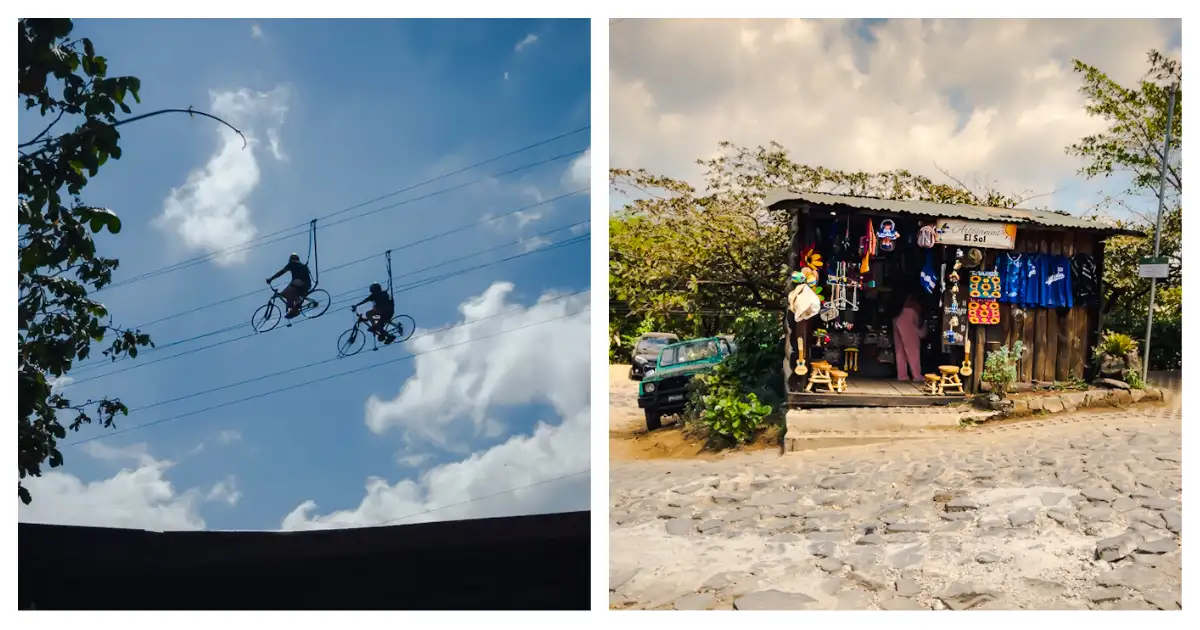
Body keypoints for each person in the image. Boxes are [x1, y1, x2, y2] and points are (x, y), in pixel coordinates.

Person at [892, 290, 927, 382]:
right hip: (908, 319)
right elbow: (921, 332)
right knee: (913, 350)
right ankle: (917, 376)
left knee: (900, 351)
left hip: (897, 319)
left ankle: (902, 375)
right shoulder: (919, 301)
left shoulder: (906, 299)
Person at [266, 253, 311, 319]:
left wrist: (271, 279)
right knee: (287, 294)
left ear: (291, 259)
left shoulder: (292, 264)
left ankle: (295, 309)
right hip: (306, 286)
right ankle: (295, 307)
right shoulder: (303, 265)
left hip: (299, 283)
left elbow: (281, 272)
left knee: (287, 292)